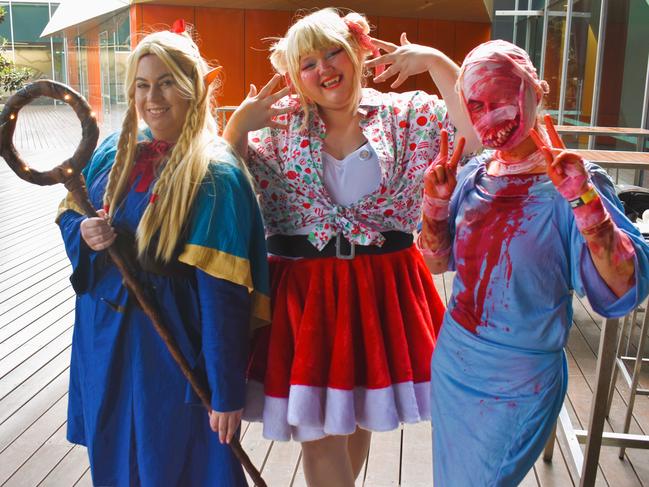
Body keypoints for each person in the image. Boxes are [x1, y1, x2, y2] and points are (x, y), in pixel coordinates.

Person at [223, 8, 478, 487]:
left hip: (382, 288)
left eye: (332, 51)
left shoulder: (407, 115)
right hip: (305, 295)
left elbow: (475, 134)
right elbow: (223, 185)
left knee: (358, 414)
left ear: (358, 51)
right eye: (307, 63)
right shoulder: (276, 127)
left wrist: (436, 61)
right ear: (294, 77)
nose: (324, 68)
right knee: (319, 433)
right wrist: (236, 129)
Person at [419, 39, 649, 485]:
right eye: (476, 104)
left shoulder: (575, 180)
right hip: (454, 362)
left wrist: (584, 203)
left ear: (535, 92)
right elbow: (435, 263)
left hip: (521, 380)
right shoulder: (472, 176)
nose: (489, 119)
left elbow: (625, 287)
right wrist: (435, 205)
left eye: (502, 101)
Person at [56, 27, 269, 486]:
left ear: (193, 87)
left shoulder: (213, 173)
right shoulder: (115, 150)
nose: (153, 97)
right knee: (116, 456)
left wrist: (226, 390)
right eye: (142, 84)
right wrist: (86, 232)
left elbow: (223, 295)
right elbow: (70, 218)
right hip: (105, 339)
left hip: (173, 349)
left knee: (181, 459)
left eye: (167, 82)